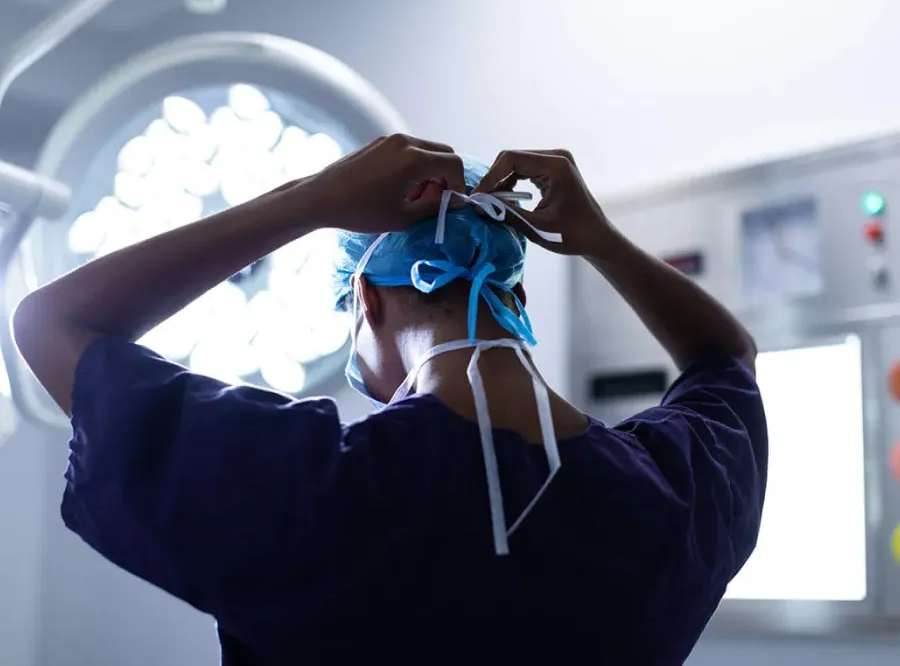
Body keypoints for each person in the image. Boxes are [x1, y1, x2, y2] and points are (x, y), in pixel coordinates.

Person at [13, 135, 767, 665]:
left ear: (365, 301)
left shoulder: (302, 483)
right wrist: (601, 239)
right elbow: (726, 355)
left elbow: (48, 323)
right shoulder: (674, 494)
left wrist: (307, 202)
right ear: (518, 295)